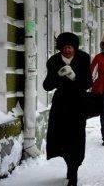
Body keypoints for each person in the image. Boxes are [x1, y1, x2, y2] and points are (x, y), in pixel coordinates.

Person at [43, 32, 92, 186]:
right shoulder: (53, 61)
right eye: (64, 47)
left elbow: (88, 83)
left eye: (70, 47)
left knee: (76, 138)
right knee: (61, 138)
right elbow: (47, 86)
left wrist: (74, 76)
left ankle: (73, 170)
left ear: (74, 47)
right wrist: (57, 76)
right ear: (60, 48)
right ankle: (69, 163)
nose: (67, 50)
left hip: (78, 103)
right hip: (61, 105)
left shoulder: (83, 58)